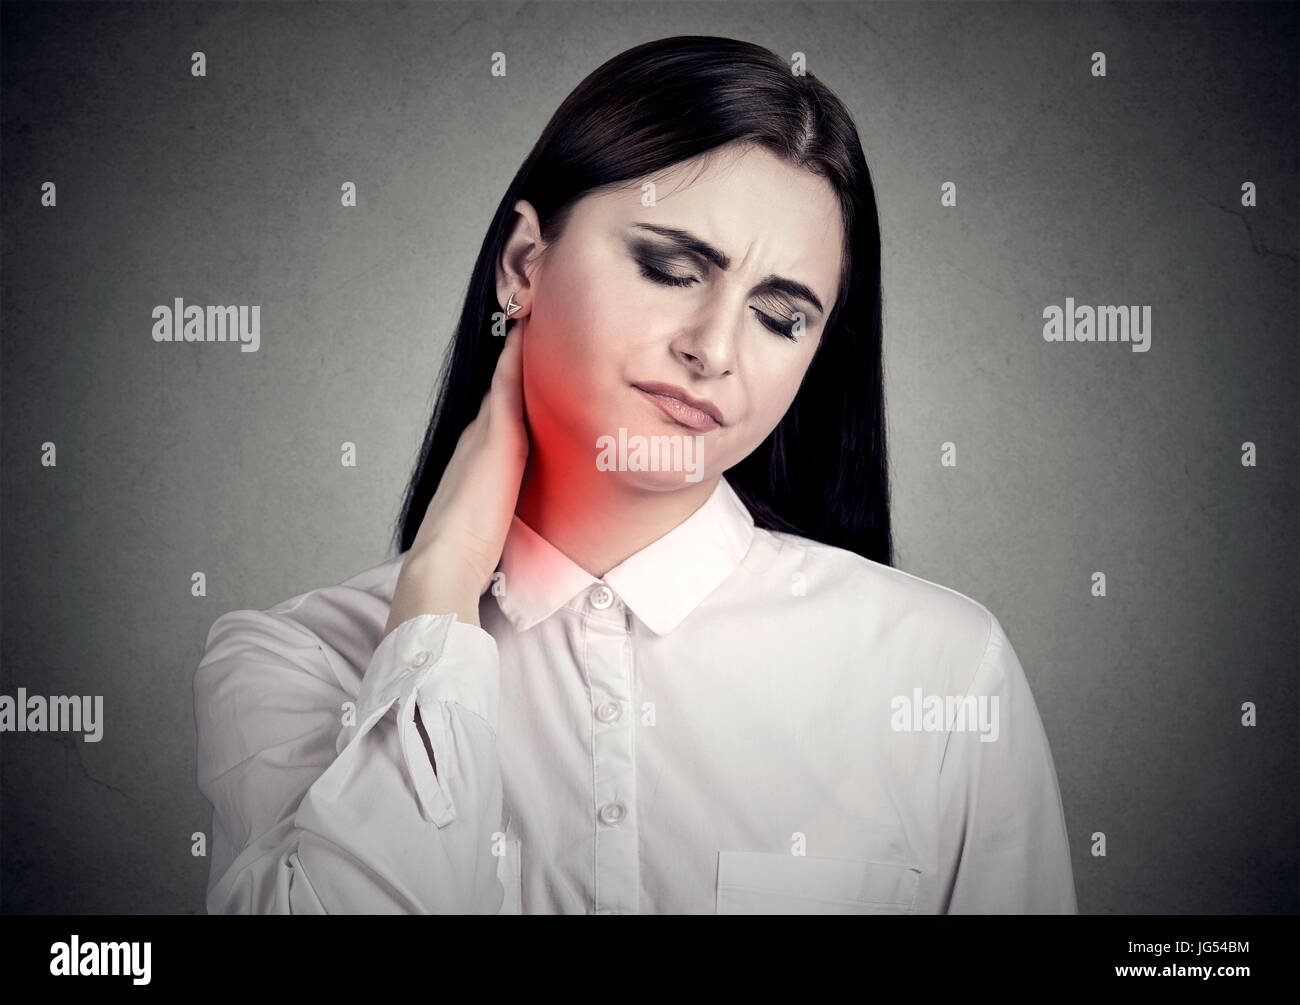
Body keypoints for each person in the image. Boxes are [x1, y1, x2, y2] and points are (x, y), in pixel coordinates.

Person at [193, 35, 1078, 914]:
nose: (715, 349)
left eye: (781, 318)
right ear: (522, 265)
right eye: (670, 268)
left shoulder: (946, 673)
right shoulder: (298, 660)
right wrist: (441, 586)